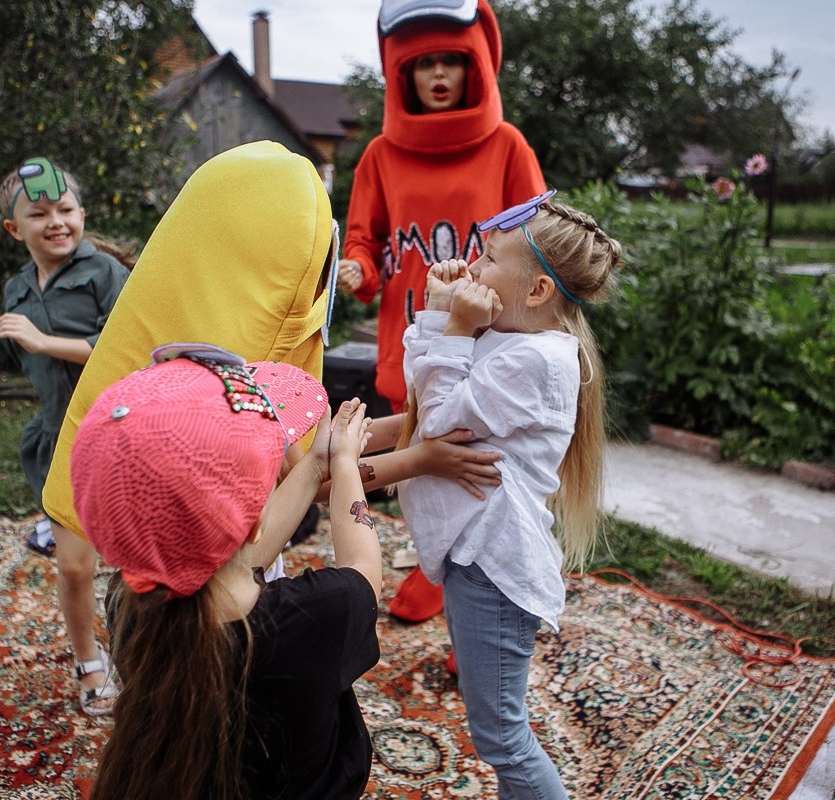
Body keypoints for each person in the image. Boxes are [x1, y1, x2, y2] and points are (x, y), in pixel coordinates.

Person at [36, 140, 502, 713]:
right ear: (254, 521)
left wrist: (406, 428)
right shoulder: (300, 621)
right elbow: (319, 492)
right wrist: (419, 459)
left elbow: (315, 459)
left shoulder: (138, 602)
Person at [71, 345, 380, 800]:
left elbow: (216, 557)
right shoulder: (317, 617)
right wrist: (344, 464)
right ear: (256, 523)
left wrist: (316, 466)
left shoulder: (128, 603)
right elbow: (364, 569)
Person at [399, 190, 621, 798]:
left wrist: (457, 327)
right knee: (495, 729)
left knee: (502, 737)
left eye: (490, 258)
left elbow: (436, 424)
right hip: (475, 556)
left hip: (495, 567)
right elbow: (423, 397)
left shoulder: (539, 359)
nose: (473, 266)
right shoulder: (510, 339)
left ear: (538, 290)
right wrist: (440, 315)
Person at [338, 0, 548, 625]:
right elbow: (364, 238)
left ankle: (485, 601)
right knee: (419, 465)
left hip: (489, 340)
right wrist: (358, 270)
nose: (436, 74)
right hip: (413, 338)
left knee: (482, 469)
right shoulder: (380, 155)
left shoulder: (507, 145)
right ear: (403, 72)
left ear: (472, 66)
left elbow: (538, 237)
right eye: (423, 63)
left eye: (449, 61)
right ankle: (438, 568)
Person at [0, 156, 129, 716]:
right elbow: (8, 355)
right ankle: (89, 662)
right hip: (59, 444)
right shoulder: (17, 287)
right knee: (75, 566)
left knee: (138, 561)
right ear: (15, 229)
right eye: (40, 214)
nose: (56, 221)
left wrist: (45, 341)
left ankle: (152, 652)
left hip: (121, 435)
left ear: (81, 213)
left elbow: (126, 351)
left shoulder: (103, 273)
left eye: (66, 209)